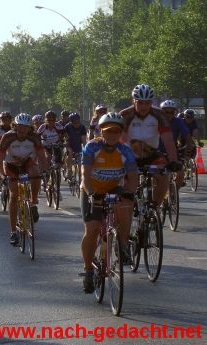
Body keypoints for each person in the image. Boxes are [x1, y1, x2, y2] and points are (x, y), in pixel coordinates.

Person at [80, 113, 138, 293]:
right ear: (101, 132)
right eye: (108, 131)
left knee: (125, 205)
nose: (112, 134)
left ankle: (122, 245)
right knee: (92, 229)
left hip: (115, 188)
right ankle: (89, 269)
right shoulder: (92, 147)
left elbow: (134, 177)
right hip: (93, 189)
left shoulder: (125, 150)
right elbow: (85, 174)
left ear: (121, 133)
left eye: (117, 131)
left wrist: (130, 192)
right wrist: (91, 194)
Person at [119, 84, 180, 206]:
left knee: (163, 178)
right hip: (130, 156)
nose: (143, 106)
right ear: (133, 101)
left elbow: (168, 140)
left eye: (147, 103)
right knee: (127, 185)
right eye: (140, 103)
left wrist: (173, 160)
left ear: (151, 102)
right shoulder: (125, 115)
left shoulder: (160, 115)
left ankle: (154, 208)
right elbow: (120, 141)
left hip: (152, 154)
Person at [0, 113, 47, 245]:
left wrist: (45, 171)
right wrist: (3, 176)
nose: (22, 130)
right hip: (11, 166)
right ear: (15, 126)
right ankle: (13, 232)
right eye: (19, 127)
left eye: (25, 127)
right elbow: (0, 158)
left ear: (30, 128)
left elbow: (42, 156)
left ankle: (33, 203)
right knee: (14, 196)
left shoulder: (35, 137)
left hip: (27, 164)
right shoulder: (8, 137)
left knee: (36, 173)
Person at [159, 100, 194, 189]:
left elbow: (187, 135)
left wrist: (188, 148)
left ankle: (174, 194)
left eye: (172, 112)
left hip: (172, 151)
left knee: (181, 174)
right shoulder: (156, 121)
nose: (169, 115)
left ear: (175, 112)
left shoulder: (178, 121)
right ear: (161, 112)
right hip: (157, 151)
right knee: (156, 174)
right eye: (166, 112)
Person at [64, 112, 87, 180]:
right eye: (74, 123)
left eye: (78, 122)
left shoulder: (82, 127)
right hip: (69, 145)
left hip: (78, 146)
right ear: (71, 122)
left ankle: (80, 179)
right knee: (70, 152)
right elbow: (65, 137)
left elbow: (84, 140)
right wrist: (65, 142)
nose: (77, 124)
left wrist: (85, 150)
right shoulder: (67, 127)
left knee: (80, 164)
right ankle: (69, 170)